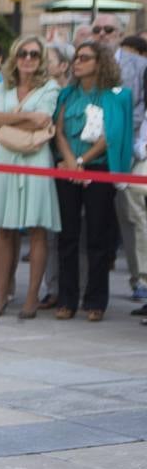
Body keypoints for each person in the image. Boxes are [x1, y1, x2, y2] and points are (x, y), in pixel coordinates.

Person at [52, 41, 135, 321]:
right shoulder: (67, 94)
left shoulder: (117, 96)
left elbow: (111, 135)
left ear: (100, 62)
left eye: (85, 58)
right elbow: (59, 130)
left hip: (97, 169)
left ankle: (96, 301)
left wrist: (82, 162)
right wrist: (70, 163)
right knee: (67, 237)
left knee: (98, 238)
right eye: (76, 57)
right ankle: (66, 299)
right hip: (67, 169)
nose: (78, 62)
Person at [0, 35, 62, 319]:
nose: (28, 59)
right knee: (2, 229)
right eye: (23, 54)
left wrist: (9, 118)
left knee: (37, 228)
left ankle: (31, 297)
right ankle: (1, 294)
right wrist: (26, 117)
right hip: (5, 158)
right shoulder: (4, 87)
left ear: (41, 60)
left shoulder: (50, 87)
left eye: (34, 54)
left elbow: (44, 118)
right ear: (15, 58)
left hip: (35, 156)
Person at [91, 14, 147, 303]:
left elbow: (141, 105)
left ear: (120, 34)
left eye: (108, 29)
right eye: (96, 29)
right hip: (88, 149)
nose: (102, 34)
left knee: (131, 213)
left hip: (129, 146)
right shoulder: (84, 63)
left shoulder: (139, 65)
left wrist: (116, 129)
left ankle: (141, 279)